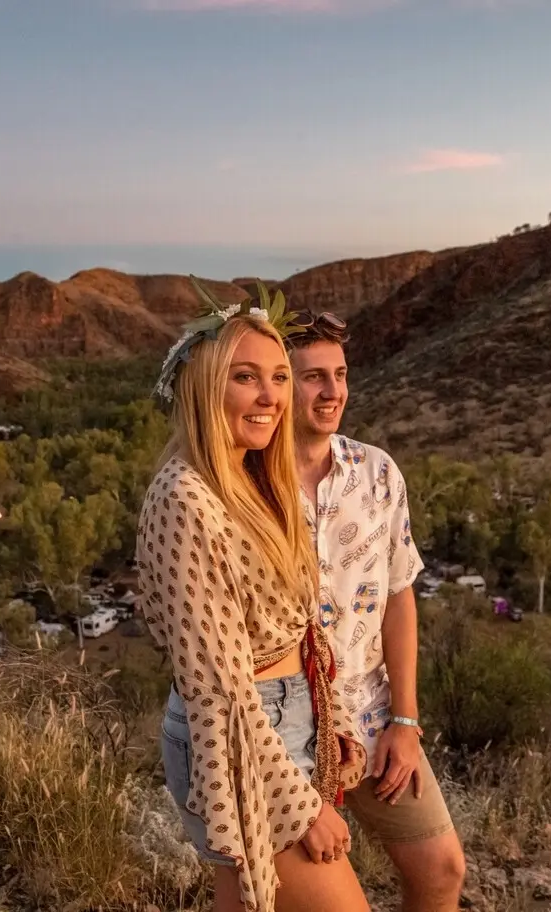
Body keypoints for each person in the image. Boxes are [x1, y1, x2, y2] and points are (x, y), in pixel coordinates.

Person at [135, 281, 371, 912]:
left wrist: (333, 718)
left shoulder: (255, 480)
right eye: (245, 377)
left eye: (277, 377)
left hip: (287, 715)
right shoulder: (186, 499)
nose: (270, 396)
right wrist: (300, 807)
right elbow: (220, 687)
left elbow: (302, 623)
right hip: (239, 736)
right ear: (206, 387)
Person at [285, 309, 468, 912]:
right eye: (313, 377)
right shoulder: (245, 487)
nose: (333, 391)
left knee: (441, 871)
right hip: (286, 725)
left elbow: (397, 595)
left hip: (371, 714)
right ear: (281, 386)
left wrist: (406, 723)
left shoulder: (377, 472)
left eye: (339, 374)